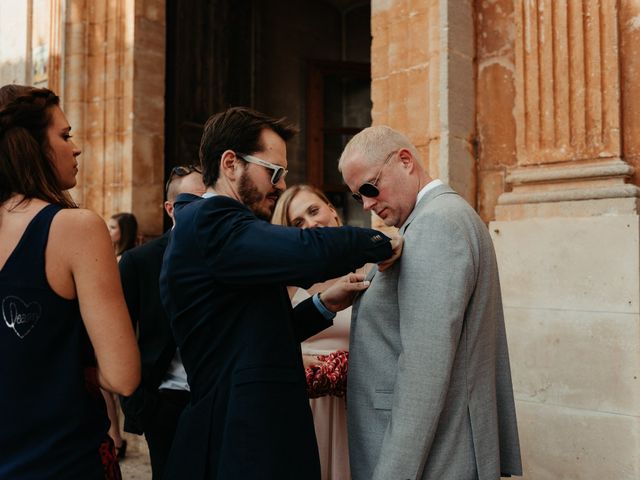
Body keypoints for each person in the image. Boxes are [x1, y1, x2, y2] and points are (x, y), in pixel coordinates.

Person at [159, 106, 402, 480]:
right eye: (273, 172)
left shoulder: (212, 227)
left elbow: (255, 333)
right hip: (243, 442)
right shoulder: (210, 221)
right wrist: (378, 240)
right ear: (230, 164)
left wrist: (323, 305)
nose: (281, 185)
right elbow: (306, 250)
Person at [339, 125, 522, 480]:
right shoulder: (435, 219)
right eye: (357, 196)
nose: (367, 204)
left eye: (369, 187)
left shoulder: (436, 224)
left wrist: (393, 473)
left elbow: (424, 367)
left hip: (435, 459)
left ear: (405, 161)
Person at [0, 84, 140, 479]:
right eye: (64, 135)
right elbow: (123, 375)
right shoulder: (74, 228)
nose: (75, 147)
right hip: (62, 460)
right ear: (30, 146)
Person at [118, 164, 205, 479]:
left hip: (218, 399)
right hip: (165, 403)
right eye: (194, 201)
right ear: (171, 209)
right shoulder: (139, 262)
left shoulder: (229, 255)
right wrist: (138, 405)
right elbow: (118, 334)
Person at [272, 184, 357, 480]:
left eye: (313, 210)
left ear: (332, 210)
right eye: (297, 222)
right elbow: (268, 342)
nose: (310, 223)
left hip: (355, 406)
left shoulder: (368, 269)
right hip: (302, 408)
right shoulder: (282, 283)